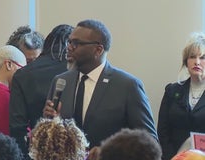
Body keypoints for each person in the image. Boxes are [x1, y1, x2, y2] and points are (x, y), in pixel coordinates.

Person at [43, 19, 158, 159]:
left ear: (98, 49)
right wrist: (51, 123)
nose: (69, 47)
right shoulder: (61, 81)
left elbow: (149, 142)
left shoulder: (127, 85)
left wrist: (108, 151)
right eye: (69, 42)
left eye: (76, 43)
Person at [9, 24, 74, 158]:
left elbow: (17, 127)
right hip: (74, 150)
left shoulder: (22, 75)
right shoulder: (78, 72)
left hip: (39, 152)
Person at [157, 32, 205, 160]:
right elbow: (163, 131)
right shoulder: (172, 91)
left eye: (203, 57)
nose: (197, 62)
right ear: (186, 62)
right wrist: (173, 157)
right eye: (192, 57)